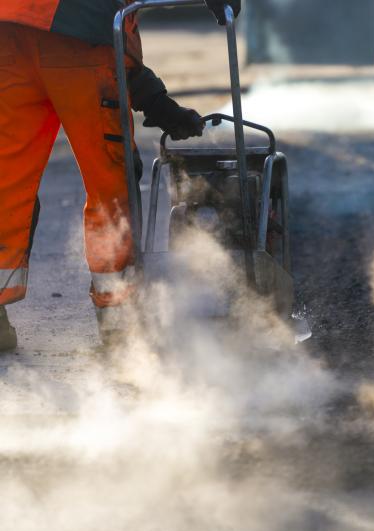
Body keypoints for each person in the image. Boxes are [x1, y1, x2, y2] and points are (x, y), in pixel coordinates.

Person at [0, 0, 241, 351]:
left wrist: (154, 100)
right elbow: (98, 42)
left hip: (8, 32)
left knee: (6, 179)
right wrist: (155, 101)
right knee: (109, 181)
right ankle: (118, 323)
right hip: (79, 36)